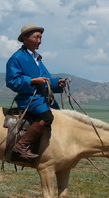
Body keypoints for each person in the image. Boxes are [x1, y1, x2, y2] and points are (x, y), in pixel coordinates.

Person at [5, 23, 66, 159]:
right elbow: (11, 81)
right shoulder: (17, 58)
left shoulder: (37, 58)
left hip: (42, 98)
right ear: (25, 39)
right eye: (36, 37)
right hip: (30, 99)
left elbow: (46, 80)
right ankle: (21, 145)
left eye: (40, 38)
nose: (39, 41)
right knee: (47, 117)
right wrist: (32, 81)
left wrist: (58, 83)